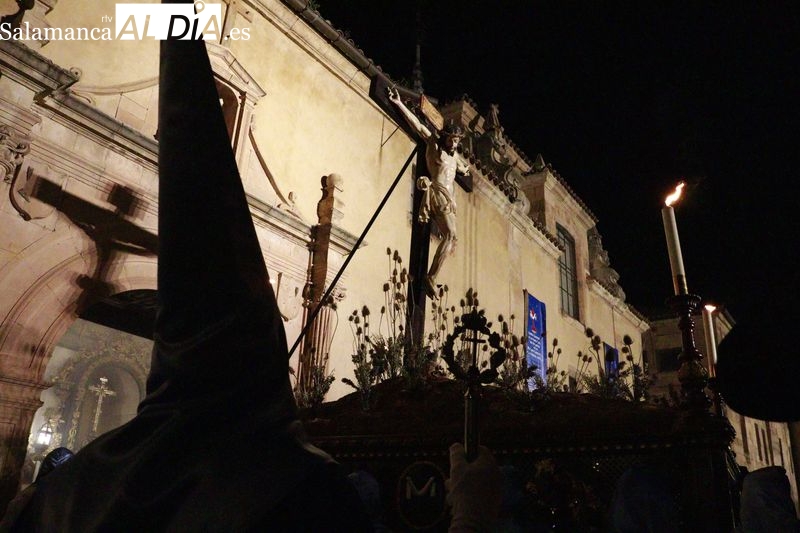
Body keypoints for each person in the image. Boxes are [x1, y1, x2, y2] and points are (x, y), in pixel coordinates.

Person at [387, 87, 470, 298]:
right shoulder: (434, 145)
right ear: (445, 137)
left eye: (457, 141)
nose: (454, 143)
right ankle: (430, 277)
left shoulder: (455, 158)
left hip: (449, 200)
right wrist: (398, 103)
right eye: (451, 139)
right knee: (450, 234)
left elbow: (463, 168)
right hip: (437, 193)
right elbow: (417, 125)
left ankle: (432, 276)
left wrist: (466, 168)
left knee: (452, 237)